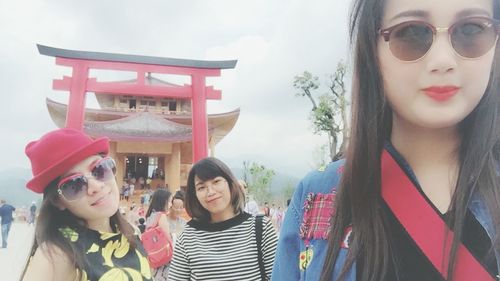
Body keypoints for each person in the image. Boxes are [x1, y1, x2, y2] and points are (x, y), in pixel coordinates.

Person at [272, 0, 500, 280]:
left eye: (471, 29)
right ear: (372, 50)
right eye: (411, 32)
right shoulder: (319, 194)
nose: (443, 60)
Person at [21, 128, 152, 281]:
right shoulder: (57, 254)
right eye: (74, 185)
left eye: (100, 169)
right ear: (58, 201)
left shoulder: (132, 232)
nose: (96, 186)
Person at [168, 157, 278, 280]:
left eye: (216, 182)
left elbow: (280, 276)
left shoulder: (261, 228)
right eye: (201, 187)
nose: (210, 192)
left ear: (231, 183)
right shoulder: (188, 237)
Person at [145, 188, 172, 281]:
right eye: (169, 201)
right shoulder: (161, 216)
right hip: (164, 257)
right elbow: (168, 239)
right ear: (163, 201)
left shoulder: (151, 215)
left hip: (153, 256)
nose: (170, 204)